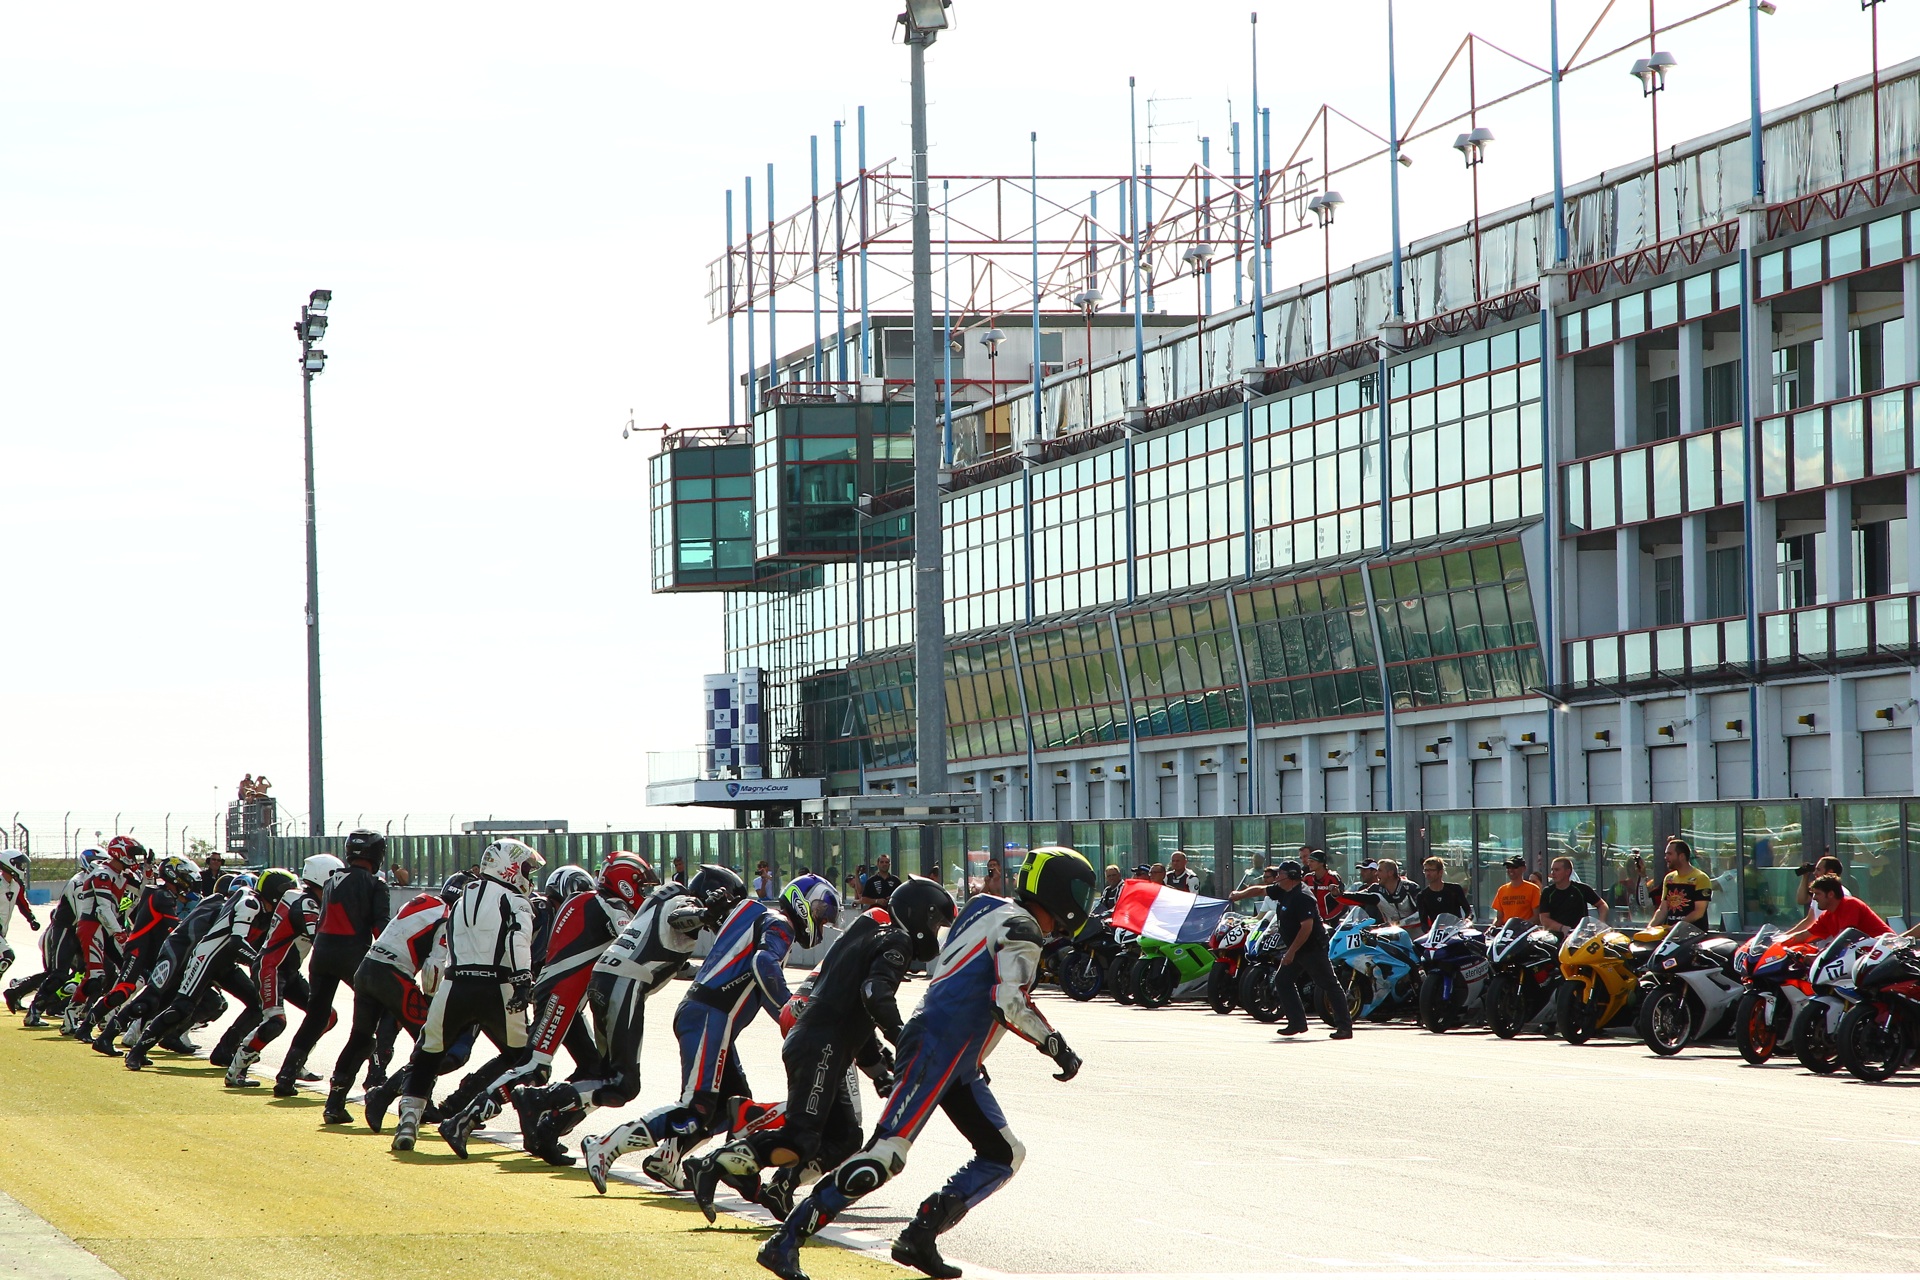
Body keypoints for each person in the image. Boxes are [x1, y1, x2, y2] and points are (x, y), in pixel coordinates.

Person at [755, 847, 1092, 1280]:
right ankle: (786, 1240)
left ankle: (920, 1235)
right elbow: (1007, 1001)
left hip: (955, 1054)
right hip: (940, 1046)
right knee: (885, 1155)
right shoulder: (1024, 929)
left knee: (1004, 1154)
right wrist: (1056, 1045)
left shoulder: (983, 907)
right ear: (1062, 892)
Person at [688, 876, 955, 1226]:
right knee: (801, 1137)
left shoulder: (871, 932)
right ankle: (716, 1163)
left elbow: (857, 1009)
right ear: (921, 913)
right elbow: (875, 994)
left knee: (845, 1137)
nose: (934, 930)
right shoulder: (897, 940)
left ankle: (781, 1186)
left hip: (819, 1040)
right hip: (821, 1044)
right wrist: (904, 1039)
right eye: (935, 921)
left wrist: (879, 1072)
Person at [577, 873, 835, 1193]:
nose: (822, 921)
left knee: (732, 1107)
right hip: (710, 1016)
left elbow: (760, 984)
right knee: (695, 1107)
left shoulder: (755, 912)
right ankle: (604, 1145)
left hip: (709, 1016)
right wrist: (790, 1008)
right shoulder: (780, 924)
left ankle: (669, 1159)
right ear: (802, 901)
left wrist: (791, 1023)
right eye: (822, 910)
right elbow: (764, 965)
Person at [511, 868, 732, 1167]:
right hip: (625, 982)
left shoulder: (660, 900)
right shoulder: (682, 898)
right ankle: (538, 1099)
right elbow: (679, 918)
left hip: (611, 979)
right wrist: (705, 913)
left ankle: (549, 1129)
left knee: (606, 1077)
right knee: (624, 1084)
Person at [435, 856, 653, 1158]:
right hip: (561, 993)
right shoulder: (609, 905)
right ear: (624, 882)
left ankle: (546, 1130)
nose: (645, 891)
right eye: (641, 884)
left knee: (594, 1069)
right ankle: (464, 1120)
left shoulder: (587, 900)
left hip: (564, 994)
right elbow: (635, 944)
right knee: (534, 1066)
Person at [389, 838, 545, 1152]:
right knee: (526, 1062)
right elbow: (517, 940)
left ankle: (408, 1120)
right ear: (510, 867)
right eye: (526, 868)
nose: (529, 876)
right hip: (498, 986)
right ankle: (489, 1120)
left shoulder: (460, 899)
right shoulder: (516, 901)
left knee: (427, 1054)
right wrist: (523, 981)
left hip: (455, 985)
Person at [328, 873, 470, 1128]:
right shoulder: (448, 916)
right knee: (433, 1043)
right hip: (394, 977)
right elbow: (433, 970)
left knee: (360, 1039)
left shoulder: (422, 900)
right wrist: (431, 1000)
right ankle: (412, 1100)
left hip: (367, 968)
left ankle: (334, 1103)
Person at [276, 829, 392, 1097]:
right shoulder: (376, 884)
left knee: (316, 1017)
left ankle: (286, 1075)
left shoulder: (330, 881)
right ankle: (375, 1076)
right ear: (377, 855)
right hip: (353, 954)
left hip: (321, 955)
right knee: (379, 1012)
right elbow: (381, 928)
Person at [224, 858, 341, 1087]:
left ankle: (296, 1062)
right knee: (276, 1021)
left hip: (288, 970)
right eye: (335, 880)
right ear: (323, 878)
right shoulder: (305, 902)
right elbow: (320, 939)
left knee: (327, 1016)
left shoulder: (308, 899)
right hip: (272, 967)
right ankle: (236, 1069)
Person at [1257, 860, 1352, 1041]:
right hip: (1298, 948)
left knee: (1329, 985)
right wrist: (1238, 895)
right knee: (1283, 980)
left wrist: (1291, 952)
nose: (1276, 878)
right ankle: (1297, 1023)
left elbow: (1306, 928)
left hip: (1312, 948)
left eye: (1280, 874)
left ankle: (1344, 1027)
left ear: (1291, 876)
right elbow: (1260, 890)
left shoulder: (1302, 897)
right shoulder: (1283, 890)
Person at [1779, 874, 1889, 945]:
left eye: (1818, 894)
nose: (1815, 898)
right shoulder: (1827, 915)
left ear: (1831, 894)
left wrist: (1820, 954)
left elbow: (1845, 939)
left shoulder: (1850, 904)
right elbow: (1805, 936)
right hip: (1865, 958)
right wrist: (1778, 943)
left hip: (1886, 951)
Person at [0, 850, 40, 989]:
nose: (22, 868)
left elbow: (22, 902)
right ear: (9, 864)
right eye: (19, 864)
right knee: (7, 956)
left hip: (3, 931)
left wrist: (31, 919)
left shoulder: (17, 884)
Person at [1651, 838, 1712, 927]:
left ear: (1682, 856)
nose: (1666, 858)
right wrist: (1650, 928)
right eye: (1666, 854)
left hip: (1694, 934)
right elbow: (1662, 909)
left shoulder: (1701, 878)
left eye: (1670, 854)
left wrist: (1677, 926)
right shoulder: (1669, 878)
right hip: (1671, 934)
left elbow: (1699, 912)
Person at [1537, 857, 1607, 935]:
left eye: (1557, 870)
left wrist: (1600, 923)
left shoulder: (1582, 889)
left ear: (1568, 872)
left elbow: (1602, 905)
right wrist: (1562, 928)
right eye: (1552, 870)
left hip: (1579, 936)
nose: (1553, 873)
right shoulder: (1547, 892)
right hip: (1555, 937)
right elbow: (1544, 918)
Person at [1412, 857, 1472, 928]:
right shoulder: (1422, 896)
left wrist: (1468, 920)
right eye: (1426, 870)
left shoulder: (1454, 889)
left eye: (1431, 870)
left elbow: (1468, 911)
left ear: (1440, 872)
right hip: (1437, 934)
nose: (1428, 873)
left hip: (1456, 931)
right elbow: (1423, 922)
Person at [1490, 856, 1542, 926]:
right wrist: (1492, 927)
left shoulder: (1533, 889)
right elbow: (1499, 918)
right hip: (1506, 933)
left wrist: (1521, 926)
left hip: (1525, 933)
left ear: (1524, 869)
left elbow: (1537, 917)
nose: (1511, 870)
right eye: (1508, 867)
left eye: (1514, 867)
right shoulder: (1502, 890)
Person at [1370, 860, 1419, 926]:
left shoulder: (1410, 887)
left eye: (1380, 870)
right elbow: (1357, 896)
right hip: (1391, 932)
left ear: (1390, 873)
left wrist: (1401, 923)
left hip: (1415, 931)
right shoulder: (1375, 889)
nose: (1376, 874)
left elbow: (1421, 913)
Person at [1301, 848, 1343, 919]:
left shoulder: (1333, 877)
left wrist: (1328, 918)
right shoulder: (1307, 878)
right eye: (1309, 861)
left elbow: (1342, 903)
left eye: (1312, 861)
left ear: (1321, 863)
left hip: (1330, 921)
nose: (1309, 864)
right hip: (1312, 920)